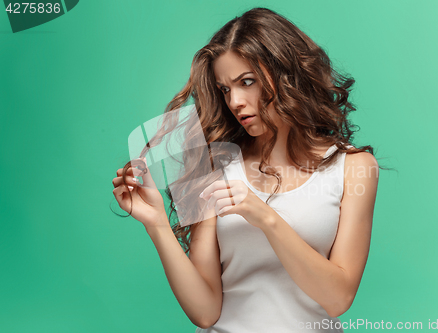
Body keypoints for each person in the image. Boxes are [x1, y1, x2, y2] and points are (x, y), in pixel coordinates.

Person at [111, 7, 379, 333]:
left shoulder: (353, 168)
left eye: (246, 82)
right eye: (225, 89)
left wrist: (265, 218)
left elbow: (338, 298)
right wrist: (156, 224)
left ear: (285, 73)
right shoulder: (216, 164)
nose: (235, 101)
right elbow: (205, 312)